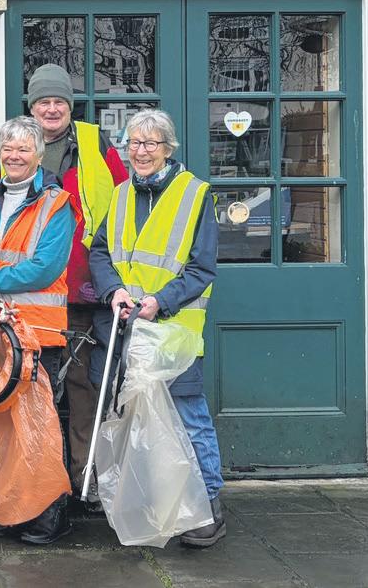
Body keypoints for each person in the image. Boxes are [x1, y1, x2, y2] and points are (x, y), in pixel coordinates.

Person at [0, 64, 128, 508]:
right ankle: (36, 487)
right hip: (23, 302)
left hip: (84, 292)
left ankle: (84, 479)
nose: (51, 108)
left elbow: (123, 206)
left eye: (59, 101)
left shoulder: (96, 145)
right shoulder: (10, 154)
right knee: (27, 390)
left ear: (70, 106)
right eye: (43, 101)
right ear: (31, 107)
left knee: (84, 388)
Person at [88, 109, 225, 548]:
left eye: (150, 144)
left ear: (168, 148)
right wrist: (112, 291)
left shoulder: (195, 193)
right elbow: (100, 252)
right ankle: (155, 504)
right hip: (127, 328)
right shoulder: (121, 193)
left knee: (188, 417)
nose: (140, 152)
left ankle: (209, 507)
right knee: (138, 420)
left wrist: (160, 302)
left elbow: (202, 268)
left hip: (173, 330)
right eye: (133, 143)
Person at [0, 115, 77, 544]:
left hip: (38, 333)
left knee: (40, 427)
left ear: (38, 155)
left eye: (23, 149)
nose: (14, 156)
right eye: (8, 148)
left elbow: (45, 268)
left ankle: (48, 513)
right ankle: (10, 510)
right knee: (4, 427)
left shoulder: (57, 204)